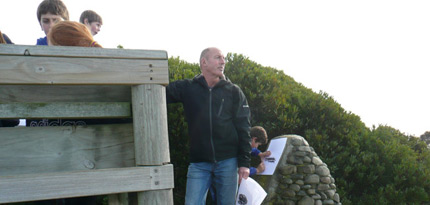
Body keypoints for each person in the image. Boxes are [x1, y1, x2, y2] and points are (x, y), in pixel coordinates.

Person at [166, 47, 252, 204]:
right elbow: (158, 92)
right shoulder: (188, 88)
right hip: (199, 164)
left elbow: (244, 128)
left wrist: (244, 163)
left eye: (223, 58)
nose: (223, 61)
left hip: (228, 161)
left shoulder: (233, 91)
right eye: (218, 57)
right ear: (204, 62)